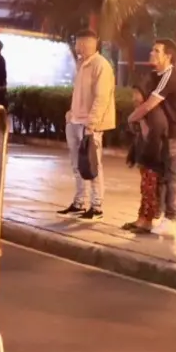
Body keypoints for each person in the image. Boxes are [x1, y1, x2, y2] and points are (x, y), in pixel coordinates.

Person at [127, 39, 176, 235]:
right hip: (161, 133)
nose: (152, 53)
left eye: (156, 50)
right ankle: (152, 217)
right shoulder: (156, 75)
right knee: (158, 175)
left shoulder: (171, 76)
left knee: (171, 175)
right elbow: (141, 97)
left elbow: (149, 104)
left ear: (168, 56)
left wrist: (131, 118)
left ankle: (170, 218)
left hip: (175, 134)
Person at [59, 29, 115, 220]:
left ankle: (97, 206)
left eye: (81, 42)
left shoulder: (101, 65)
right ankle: (79, 202)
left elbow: (102, 97)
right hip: (75, 121)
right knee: (77, 164)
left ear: (91, 43)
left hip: (89, 125)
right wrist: (70, 114)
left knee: (92, 165)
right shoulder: (82, 64)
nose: (78, 46)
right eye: (78, 42)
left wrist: (92, 123)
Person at [123, 84, 169, 233]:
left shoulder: (154, 114)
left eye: (137, 94)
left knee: (150, 191)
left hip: (153, 161)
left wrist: (148, 159)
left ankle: (147, 221)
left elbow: (152, 139)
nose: (134, 98)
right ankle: (141, 218)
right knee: (145, 189)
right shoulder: (144, 114)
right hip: (146, 159)